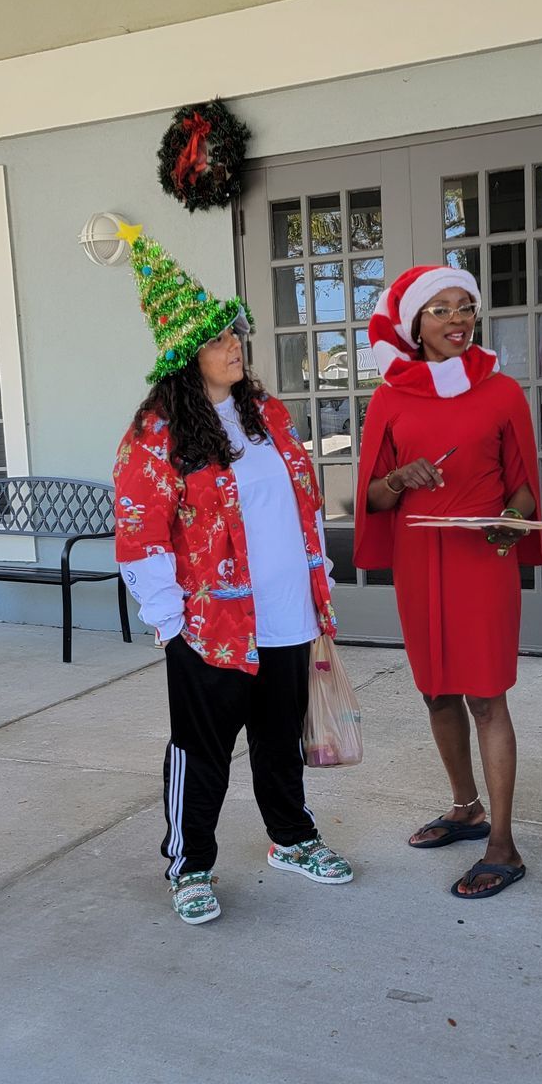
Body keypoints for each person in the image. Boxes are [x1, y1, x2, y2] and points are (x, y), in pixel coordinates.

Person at [110, 223, 354, 925]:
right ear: (188, 357)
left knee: (281, 742)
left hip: (285, 615)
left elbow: (299, 507)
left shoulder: (268, 414)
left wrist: (318, 585)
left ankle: (292, 837)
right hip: (210, 625)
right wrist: (169, 622)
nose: (235, 344)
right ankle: (189, 865)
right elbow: (140, 534)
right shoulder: (157, 435)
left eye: (236, 333)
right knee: (202, 750)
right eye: (219, 339)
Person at [354, 266, 542, 899]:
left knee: (486, 698)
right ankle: (465, 808)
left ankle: (503, 844)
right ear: (415, 324)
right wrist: (400, 479)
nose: (459, 319)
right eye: (441, 309)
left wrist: (512, 522)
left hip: (479, 561)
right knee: (436, 692)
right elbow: (374, 497)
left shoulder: (501, 392)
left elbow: (522, 485)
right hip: (419, 559)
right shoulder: (390, 396)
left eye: (466, 307)